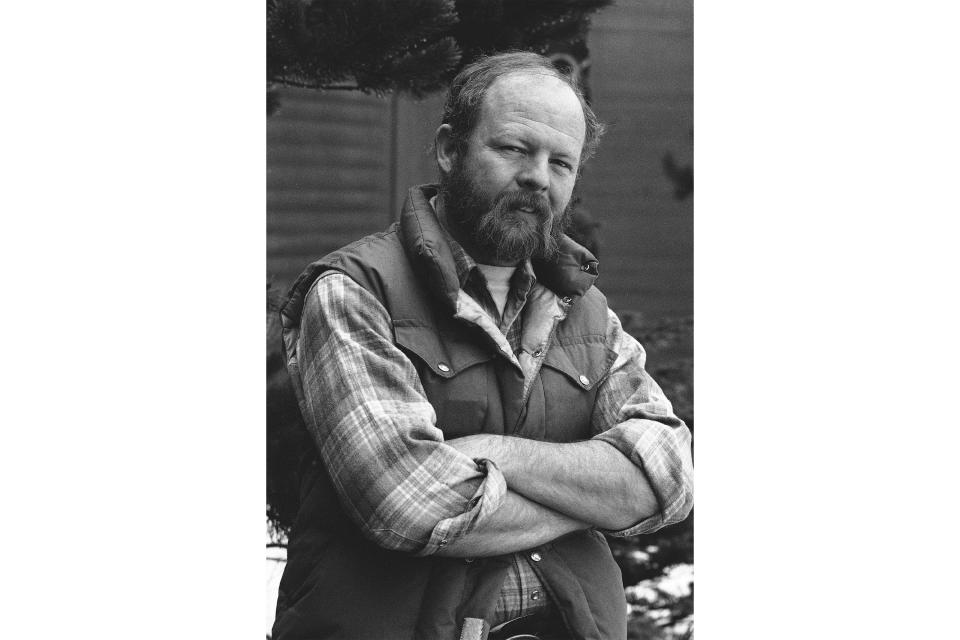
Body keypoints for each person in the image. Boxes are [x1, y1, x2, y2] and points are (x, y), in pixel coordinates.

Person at [273, 51, 694, 640]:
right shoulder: (354, 292)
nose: (538, 177)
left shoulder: (584, 308)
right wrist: (593, 498)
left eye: (562, 163)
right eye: (515, 149)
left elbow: (669, 478)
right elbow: (409, 505)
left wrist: (500, 453)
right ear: (450, 149)